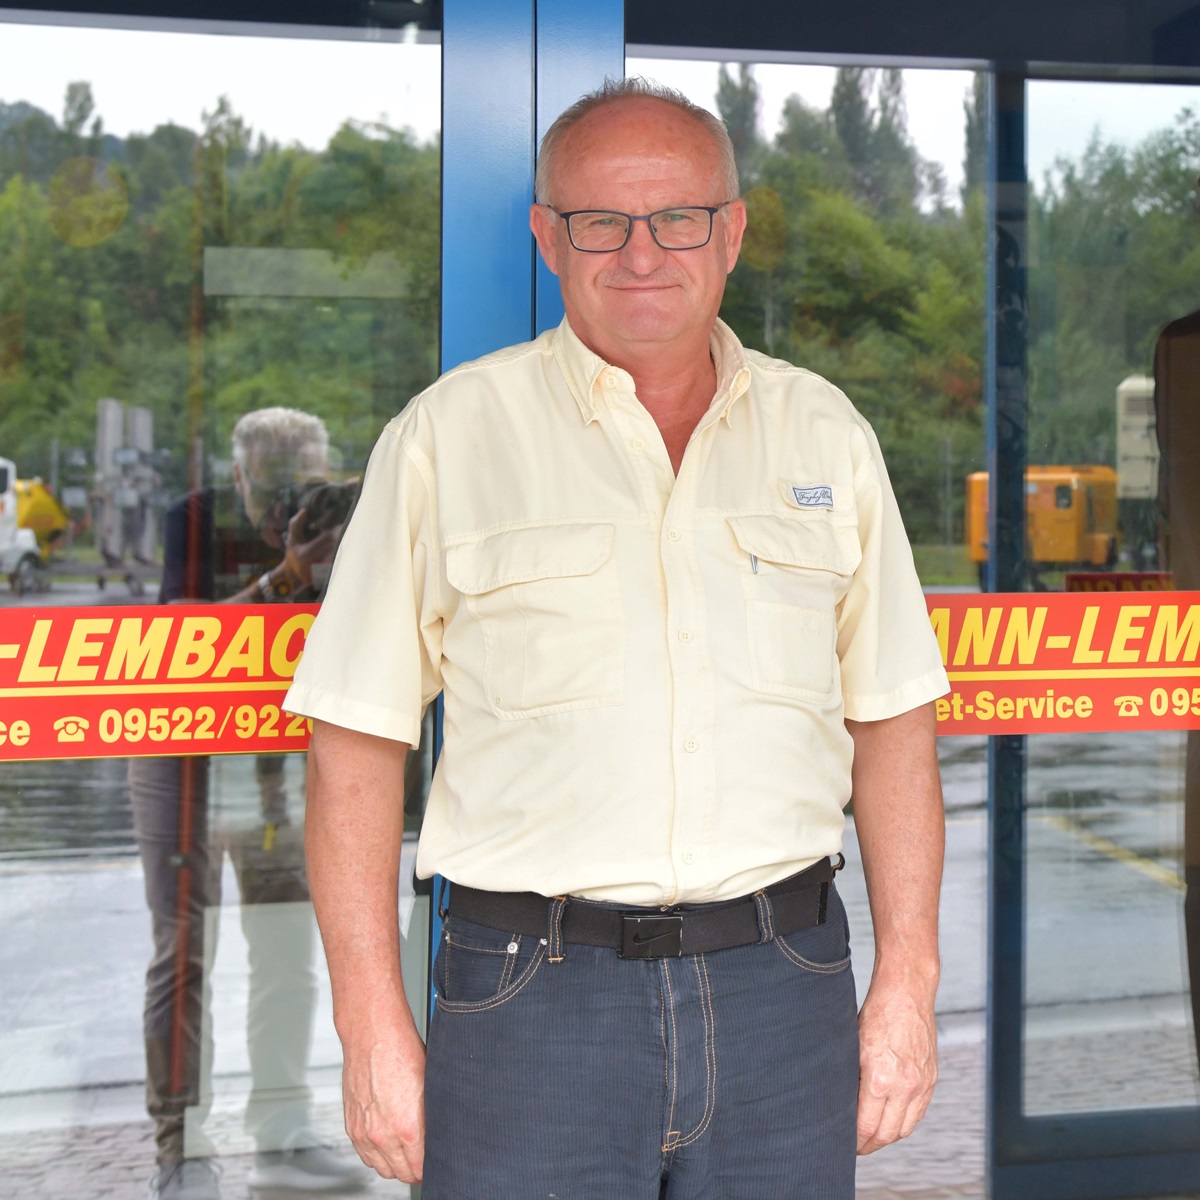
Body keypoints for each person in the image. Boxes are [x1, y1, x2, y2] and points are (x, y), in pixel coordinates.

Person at [285, 78, 949, 1199]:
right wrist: (369, 1024)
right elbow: (354, 742)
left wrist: (909, 985)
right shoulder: (449, 436)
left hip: (784, 984)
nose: (643, 252)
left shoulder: (824, 431)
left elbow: (892, 721)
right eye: (602, 221)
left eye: (679, 218)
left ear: (731, 232)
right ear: (550, 237)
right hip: (531, 997)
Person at [131, 406, 365, 1200]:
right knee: (183, 950)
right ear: (238, 478)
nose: (286, 500)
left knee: (286, 948)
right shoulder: (193, 520)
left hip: (273, 757)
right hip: (184, 755)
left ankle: (283, 1133)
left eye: (305, 479)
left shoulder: (339, 524)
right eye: (273, 483)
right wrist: (290, 574)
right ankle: (180, 1149)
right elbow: (179, 646)